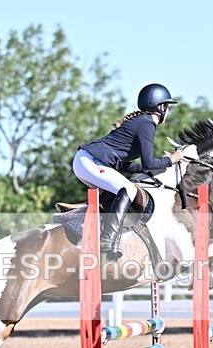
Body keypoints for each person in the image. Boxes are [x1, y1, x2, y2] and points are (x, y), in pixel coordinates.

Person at [73, 83, 183, 260]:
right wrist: (172, 159)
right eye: (167, 106)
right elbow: (149, 162)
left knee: (115, 193)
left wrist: (148, 171)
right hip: (90, 161)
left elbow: (125, 165)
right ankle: (107, 241)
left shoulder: (141, 121)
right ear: (161, 107)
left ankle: (84, 223)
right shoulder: (147, 123)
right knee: (129, 190)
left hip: (86, 160)